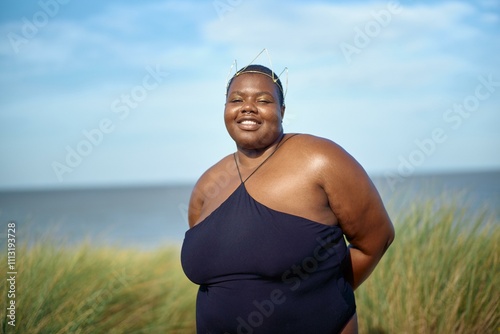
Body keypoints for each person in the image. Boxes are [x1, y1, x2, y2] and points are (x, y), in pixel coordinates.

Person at [181, 62, 395, 334]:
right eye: (236, 99)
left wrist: (320, 294)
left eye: (263, 100)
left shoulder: (320, 159)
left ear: (281, 111)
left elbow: (376, 240)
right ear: (225, 110)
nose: (248, 107)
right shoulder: (206, 186)